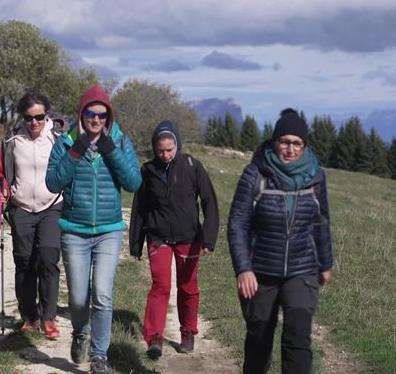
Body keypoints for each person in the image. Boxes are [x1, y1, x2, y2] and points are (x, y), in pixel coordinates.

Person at [227, 108, 333, 374]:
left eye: (297, 143)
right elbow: (238, 223)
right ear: (275, 142)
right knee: (259, 339)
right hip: (260, 270)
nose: (290, 148)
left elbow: (321, 221)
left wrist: (325, 263)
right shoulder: (255, 174)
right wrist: (244, 269)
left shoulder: (316, 176)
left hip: (302, 268)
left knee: (298, 339)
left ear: (305, 145)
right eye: (285, 141)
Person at [45, 85, 141, 374]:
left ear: (108, 116)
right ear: (82, 114)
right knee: (77, 298)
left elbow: (134, 183)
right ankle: (80, 332)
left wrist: (111, 151)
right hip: (74, 229)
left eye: (102, 114)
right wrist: (75, 151)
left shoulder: (121, 141)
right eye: (91, 113)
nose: (96, 119)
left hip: (109, 230)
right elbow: (52, 182)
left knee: (102, 294)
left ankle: (100, 356)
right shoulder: (66, 142)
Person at [129, 120, 219, 359]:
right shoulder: (147, 171)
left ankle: (188, 332)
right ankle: (154, 338)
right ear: (154, 148)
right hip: (158, 237)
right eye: (160, 150)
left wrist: (208, 238)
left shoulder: (192, 166)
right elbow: (139, 208)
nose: (165, 154)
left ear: (177, 145)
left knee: (188, 286)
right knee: (160, 286)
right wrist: (135, 243)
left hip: (189, 236)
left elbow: (210, 201)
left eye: (170, 149)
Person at [0, 93, 63, 340]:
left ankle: (49, 317)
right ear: (22, 117)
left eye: (39, 117)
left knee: (47, 258)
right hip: (21, 207)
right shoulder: (12, 140)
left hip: (52, 204)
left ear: (47, 116)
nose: (34, 123)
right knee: (24, 261)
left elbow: (69, 169)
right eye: (29, 118)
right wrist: (2, 189)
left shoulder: (58, 140)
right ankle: (29, 316)